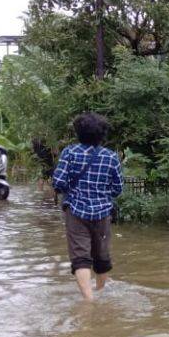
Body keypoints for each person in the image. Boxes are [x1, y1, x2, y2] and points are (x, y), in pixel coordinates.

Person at [51, 113, 123, 300]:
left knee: (80, 256)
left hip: (75, 211)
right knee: (102, 255)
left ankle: (88, 300)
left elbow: (58, 182)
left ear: (78, 133)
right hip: (103, 212)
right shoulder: (111, 156)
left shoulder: (70, 152)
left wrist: (72, 191)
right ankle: (100, 292)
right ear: (102, 134)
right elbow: (118, 188)